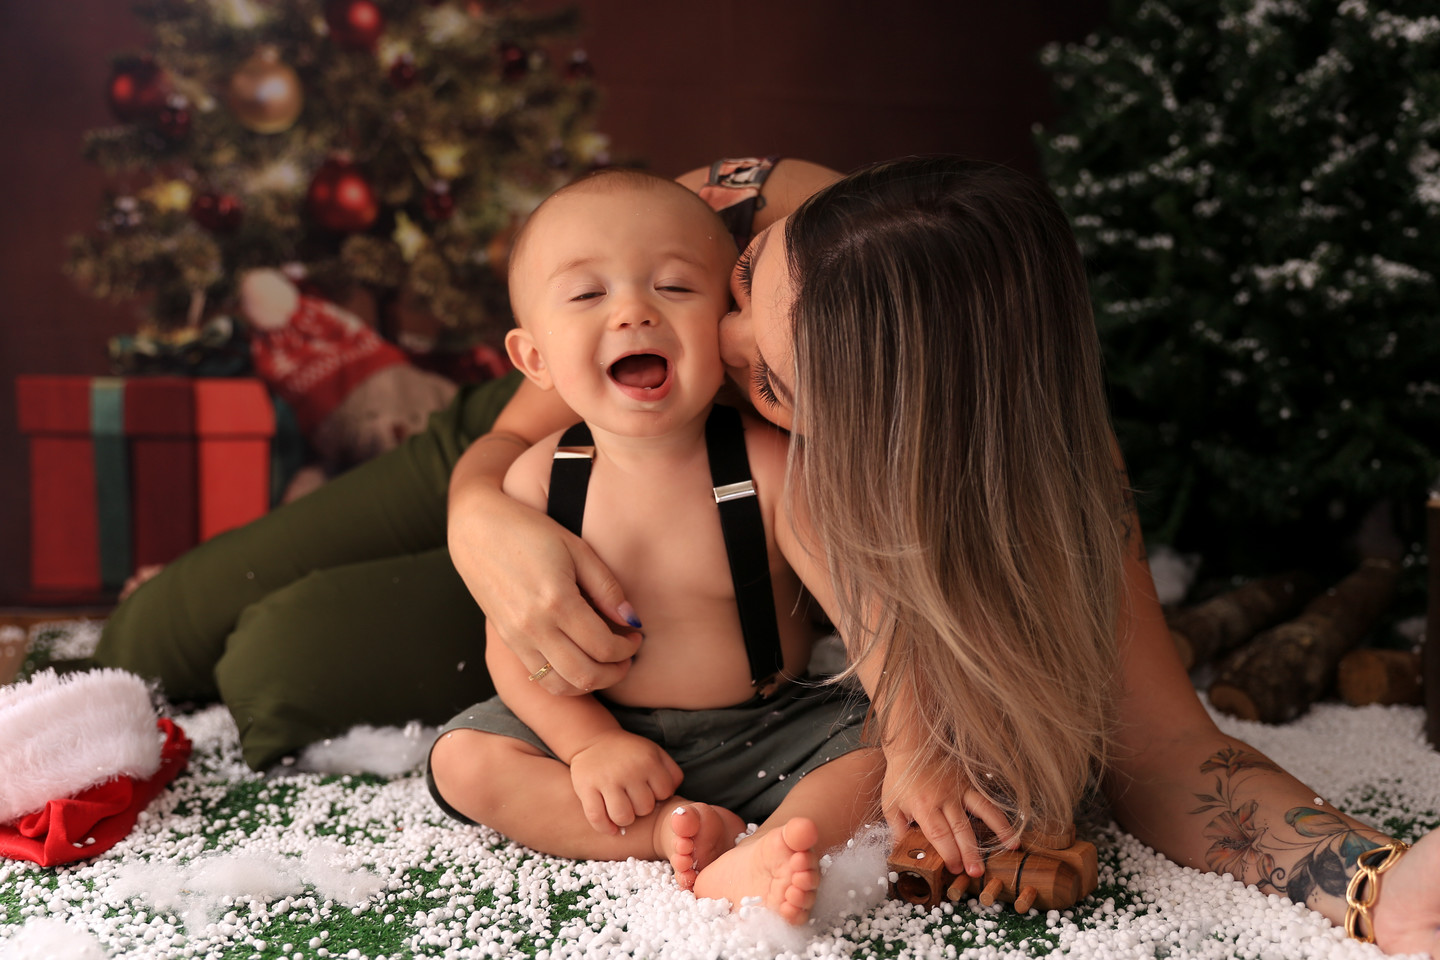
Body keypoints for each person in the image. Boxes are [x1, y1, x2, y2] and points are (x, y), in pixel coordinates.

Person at [88, 155, 1438, 953]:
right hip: (540, 437)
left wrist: (1382, 884)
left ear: (888, 457)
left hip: (699, 565)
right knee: (158, 642)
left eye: (775, 379)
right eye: (742, 289)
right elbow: (573, 326)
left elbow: (1174, 759)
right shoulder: (755, 211)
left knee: (281, 661)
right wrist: (484, 514)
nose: (725, 348)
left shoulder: (1046, 501)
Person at [426, 168, 895, 923]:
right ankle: (664, 833)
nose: (634, 313)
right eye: (587, 295)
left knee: (883, 746)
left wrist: (920, 727)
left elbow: (870, 620)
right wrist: (588, 747)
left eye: (674, 289)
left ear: (725, 327)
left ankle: (767, 849)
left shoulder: (774, 470)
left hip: (773, 725)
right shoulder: (540, 483)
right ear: (534, 357)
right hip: (609, 732)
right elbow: (514, 648)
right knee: (463, 760)